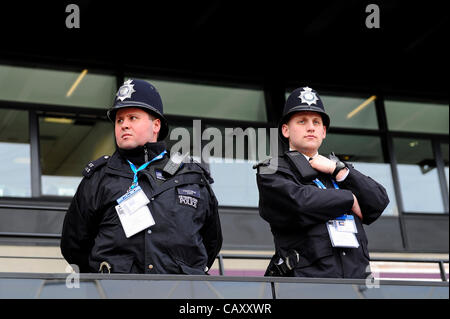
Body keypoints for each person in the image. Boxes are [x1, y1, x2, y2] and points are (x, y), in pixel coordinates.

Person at [61, 79, 222, 274]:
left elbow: (211, 241)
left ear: (156, 125)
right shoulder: (99, 177)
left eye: (132, 118)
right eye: (119, 120)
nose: (124, 125)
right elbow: (74, 245)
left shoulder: (190, 175)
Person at [255, 86, 389, 278]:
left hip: (358, 284)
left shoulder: (337, 168)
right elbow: (299, 203)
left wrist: (340, 171)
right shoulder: (272, 170)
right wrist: (349, 198)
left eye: (316, 122)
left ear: (323, 131)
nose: (311, 127)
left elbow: (378, 202)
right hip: (308, 284)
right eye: (302, 121)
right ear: (285, 130)